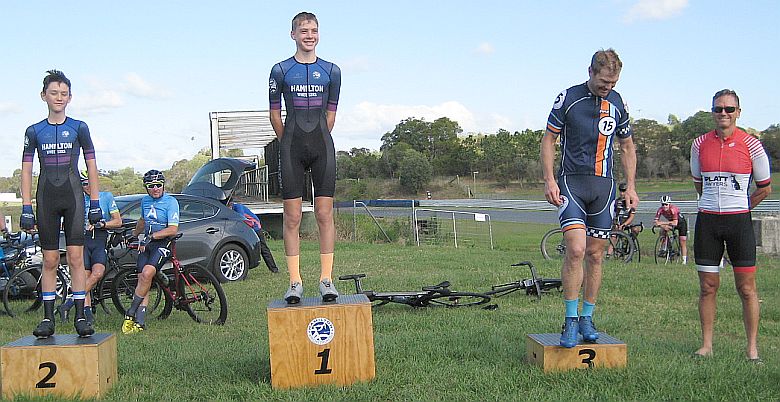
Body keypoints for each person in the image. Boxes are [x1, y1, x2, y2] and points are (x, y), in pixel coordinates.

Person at [541, 49, 638, 348]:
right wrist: (549, 180)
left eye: (613, 82)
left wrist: (631, 187)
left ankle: (587, 317)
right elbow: (549, 139)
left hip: (603, 187)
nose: (607, 87)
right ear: (590, 72)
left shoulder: (618, 103)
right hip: (572, 183)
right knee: (575, 249)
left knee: (596, 255)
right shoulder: (568, 98)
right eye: (603, 81)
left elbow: (627, 146)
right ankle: (570, 319)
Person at [690, 89, 771, 362]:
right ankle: (706, 346)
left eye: (729, 109)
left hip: (739, 222)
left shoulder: (752, 145)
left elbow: (765, 188)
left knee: (746, 288)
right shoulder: (699, 144)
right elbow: (699, 184)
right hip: (708, 222)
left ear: (738, 112)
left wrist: (742, 207)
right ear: (712, 112)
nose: (723, 113)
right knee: (707, 286)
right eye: (718, 109)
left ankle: (752, 350)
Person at [21, 70, 102, 338]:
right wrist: (26, 206)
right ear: (43, 96)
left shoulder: (80, 128)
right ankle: (47, 318)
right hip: (46, 198)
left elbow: (91, 164)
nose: (59, 97)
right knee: (50, 259)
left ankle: (80, 315)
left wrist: (95, 201)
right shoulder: (34, 131)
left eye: (64, 93)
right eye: (54, 93)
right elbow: (26, 170)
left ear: (70, 97)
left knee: (76, 258)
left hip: (73, 197)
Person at [269, 11, 341, 304]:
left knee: (324, 214)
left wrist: (317, 138)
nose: (309, 36)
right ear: (293, 35)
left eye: (313, 31)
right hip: (292, 147)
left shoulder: (332, 71)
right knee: (293, 217)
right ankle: (295, 282)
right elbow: (275, 114)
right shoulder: (280, 70)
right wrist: (288, 141)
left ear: (318, 34)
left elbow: (331, 115)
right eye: (303, 31)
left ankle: (326, 279)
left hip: (322, 145)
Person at [57, 170, 122, 325]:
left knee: (97, 273)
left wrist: (102, 224)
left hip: (99, 240)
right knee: (84, 278)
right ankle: (87, 314)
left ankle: (68, 304)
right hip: (82, 241)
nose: (88, 186)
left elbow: (118, 221)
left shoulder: (106, 197)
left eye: (90, 182)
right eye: (84, 183)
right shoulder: (77, 199)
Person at [121, 170, 179, 334]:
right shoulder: (145, 201)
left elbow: (173, 229)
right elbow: (142, 220)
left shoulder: (171, 202)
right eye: (151, 186)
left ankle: (130, 312)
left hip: (164, 242)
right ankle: (140, 322)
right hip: (148, 243)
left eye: (158, 185)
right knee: (142, 279)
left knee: (147, 274)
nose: (155, 189)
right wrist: (133, 235)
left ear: (163, 185)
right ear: (146, 188)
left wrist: (152, 236)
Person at [228, 200, 279, 273]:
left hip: (255, 227)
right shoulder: (232, 209)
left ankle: (274, 269)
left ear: (230, 204)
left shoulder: (238, 207)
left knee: (263, 248)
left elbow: (241, 219)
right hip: (247, 228)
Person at [653, 195, 689, 264]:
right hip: (671, 222)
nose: (664, 206)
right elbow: (655, 222)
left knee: (682, 241)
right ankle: (665, 247)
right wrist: (662, 225)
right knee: (663, 230)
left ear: (669, 204)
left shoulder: (673, 209)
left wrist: (661, 223)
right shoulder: (660, 210)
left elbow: (675, 223)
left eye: (666, 204)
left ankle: (684, 260)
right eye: (663, 204)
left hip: (681, 224)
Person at [607, 183, 636, 258]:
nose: (622, 193)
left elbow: (631, 217)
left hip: (626, 222)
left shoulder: (632, 202)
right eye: (620, 191)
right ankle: (608, 255)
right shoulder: (617, 201)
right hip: (618, 222)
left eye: (624, 191)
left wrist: (624, 224)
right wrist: (615, 223)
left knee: (635, 230)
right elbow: (614, 214)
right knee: (613, 237)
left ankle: (630, 244)